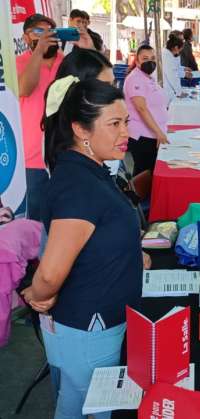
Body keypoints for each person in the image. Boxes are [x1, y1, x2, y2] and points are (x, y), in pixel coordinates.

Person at [21, 78, 144, 419]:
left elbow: (96, 235)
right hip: (89, 328)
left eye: (126, 122)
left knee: (82, 404)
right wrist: (37, 295)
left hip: (97, 321)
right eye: (115, 124)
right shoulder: (79, 185)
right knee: (82, 407)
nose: (125, 133)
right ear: (80, 129)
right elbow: (49, 273)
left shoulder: (89, 170)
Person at [17, 14, 64, 221]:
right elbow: (25, 88)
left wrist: (87, 48)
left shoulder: (67, 61)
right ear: (26, 38)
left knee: (64, 216)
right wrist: (38, 52)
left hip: (66, 152)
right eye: (38, 31)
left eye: (50, 31)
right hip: (33, 157)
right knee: (35, 221)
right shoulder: (19, 62)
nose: (46, 35)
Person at [123, 45, 169, 176]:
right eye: (145, 58)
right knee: (144, 174)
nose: (150, 61)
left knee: (150, 172)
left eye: (152, 58)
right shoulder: (135, 79)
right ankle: (137, 197)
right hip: (143, 135)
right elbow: (141, 108)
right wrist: (159, 132)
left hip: (153, 134)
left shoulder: (147, 77)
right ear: (137, 61)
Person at [162, 35, 189, 100]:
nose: (180, 52)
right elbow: (172, 75)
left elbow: (175, 68)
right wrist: (179, 92)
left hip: (168, 88)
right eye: (180, 49)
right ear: (176, 47)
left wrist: (184, 69)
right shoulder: (167, 56)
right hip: (166, 90)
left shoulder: (167, 54)